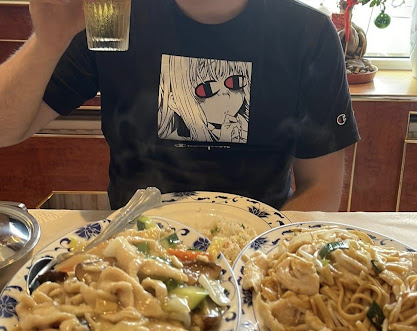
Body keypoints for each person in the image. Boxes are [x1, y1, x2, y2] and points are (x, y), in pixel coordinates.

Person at [0, 0, 359, 210]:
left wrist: (261, 257)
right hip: (135, 249)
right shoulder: (113, 15)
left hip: (255, 254)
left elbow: (321, 188)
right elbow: (5, 130)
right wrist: (48, 42)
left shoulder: (307, 34)